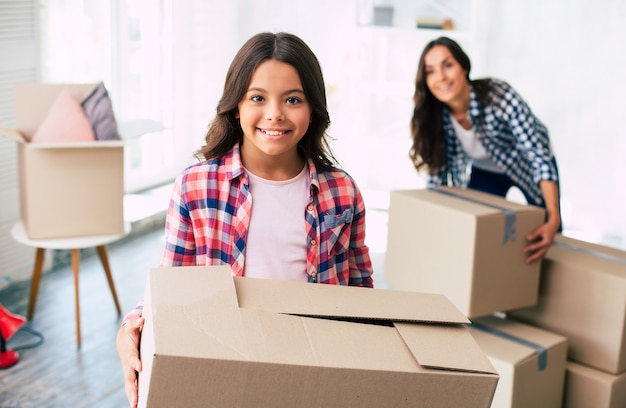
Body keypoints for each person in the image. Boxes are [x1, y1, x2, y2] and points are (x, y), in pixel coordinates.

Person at [116, 32, 374, 407]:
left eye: (293, 99)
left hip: (315, 368)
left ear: (313, 108)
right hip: (228, 365)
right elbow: (171, 285)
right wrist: (132, 324)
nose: (275, 113)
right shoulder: (196, 184)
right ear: (235, 106)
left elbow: (361, 291)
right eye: (258, 98)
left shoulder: (342, 190)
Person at [410, 36, 561, 264]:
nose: (440, 77)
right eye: (430, 71)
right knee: (480, 233)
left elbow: (538, 155)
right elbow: (437, 181)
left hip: (527, 165)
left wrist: (554, 217)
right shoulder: (435, 117)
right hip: (485, 171)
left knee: (548, 228)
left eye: (448, 65)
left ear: (464, 67)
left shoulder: (498, 96)